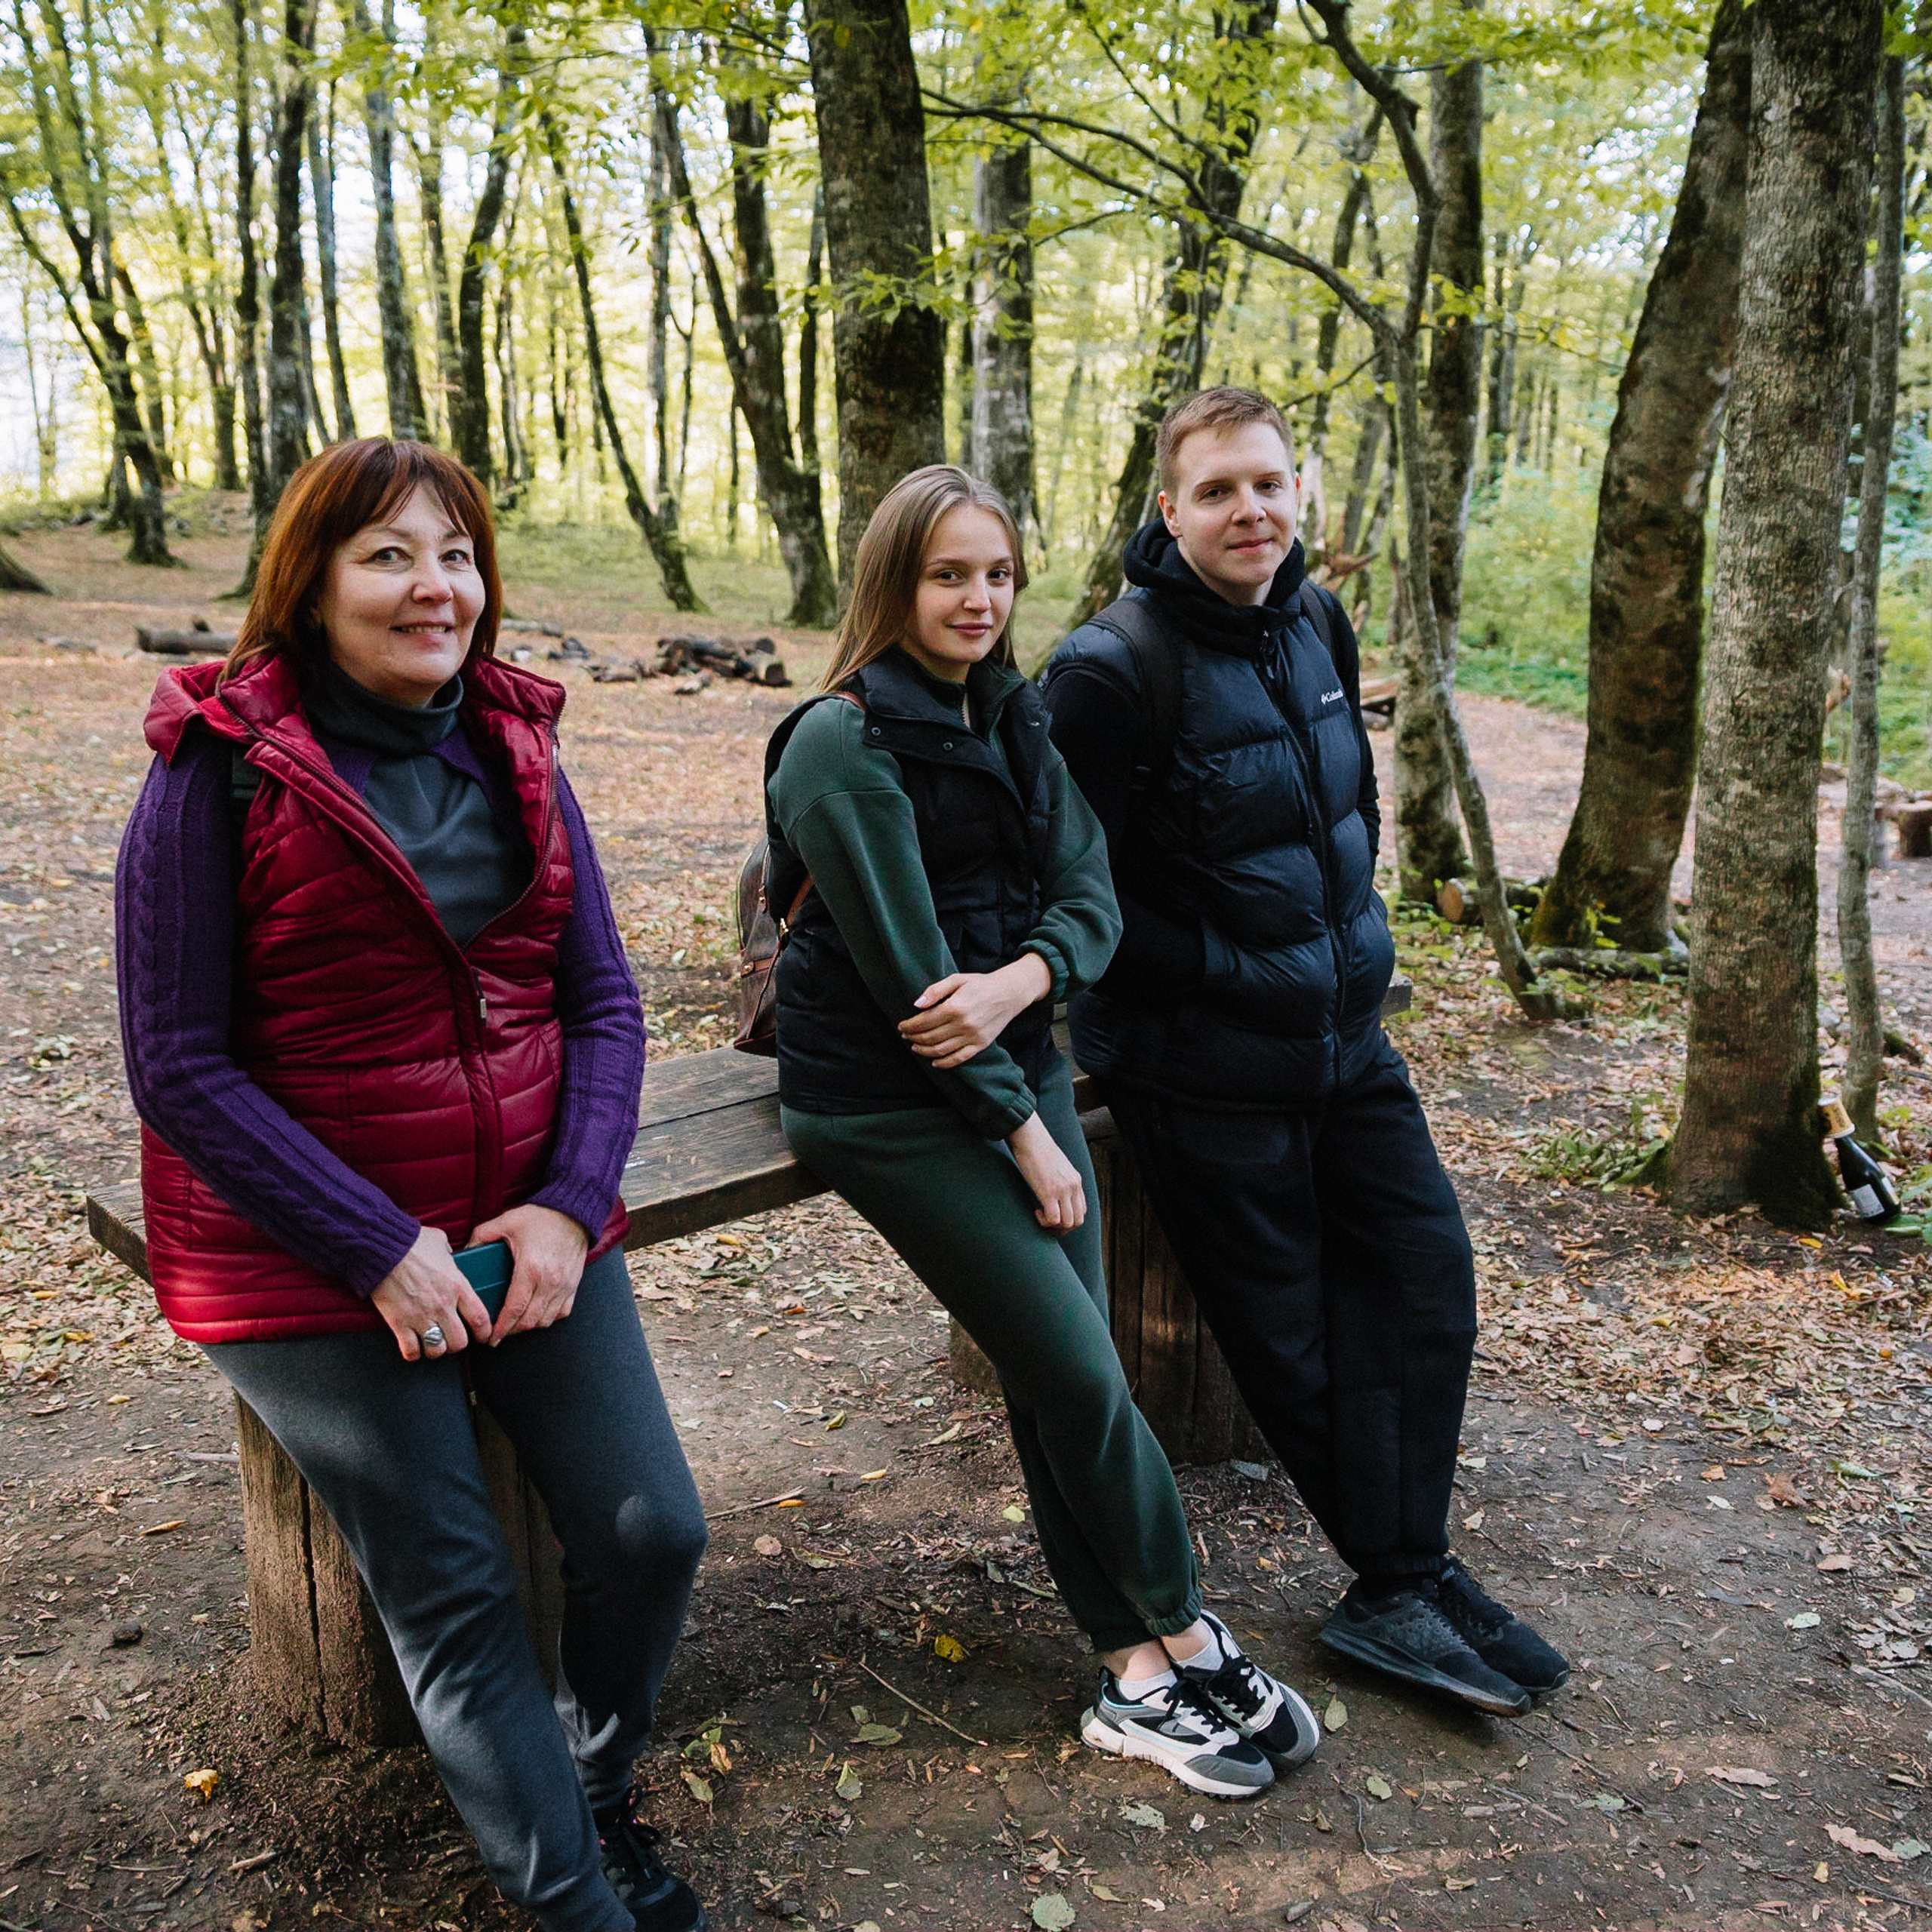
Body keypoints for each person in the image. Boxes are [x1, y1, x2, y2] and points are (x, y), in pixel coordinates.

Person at [115, 438, 708, 1932]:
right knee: (454, 1592)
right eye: (386, 553)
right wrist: (376, 1247)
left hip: (523, 1224)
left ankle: (590, 1778)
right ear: (308, 583)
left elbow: (605, 1007)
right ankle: (574, 1902)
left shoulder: (515, 747)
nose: (432, 584)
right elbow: (178, 1065)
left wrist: (572, 1203)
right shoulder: (216, 771)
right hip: (297, 1248)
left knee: (652, 1530)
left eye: (453, 551)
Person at [764, 463, 1319, 1798]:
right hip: (885, 1107)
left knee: (1060, 1373)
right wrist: (1024, 1131)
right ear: (893, 582)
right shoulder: (844, 743)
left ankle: (1133, 1673)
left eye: (997, 574)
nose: (977, 598)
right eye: (948, 574)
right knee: (1079, 1373)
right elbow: (911, 986)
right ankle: (1188, 1628)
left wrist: (1027, 982)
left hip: (1016, 1073)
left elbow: (1093, 901)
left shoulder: (1015, 714)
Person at [1041, 388, 1569, 1718]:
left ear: (1299, 496)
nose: (1250, 510)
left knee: (1427, 1276)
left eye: (1269, 484)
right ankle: (1398, 1579)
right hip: (1199, 1062)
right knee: (1288, 1332)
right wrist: (1235, 972)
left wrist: (1349, 947)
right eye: (1217, 490)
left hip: (1343, 1039)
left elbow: (1349, 808)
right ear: (1169, 510)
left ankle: (1406, 1568)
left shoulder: (1318, 620)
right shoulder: (1111, 670)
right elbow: (1078, 897)